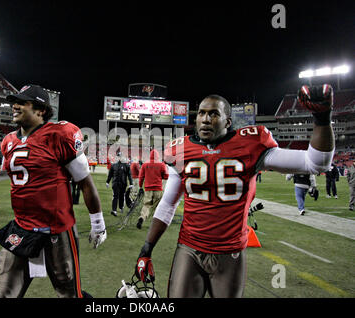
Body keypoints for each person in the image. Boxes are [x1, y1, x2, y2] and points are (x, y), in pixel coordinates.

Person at [134, 84, 335, 298]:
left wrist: (322, 119)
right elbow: (167, 205)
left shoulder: (250, 144)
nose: (205, 119)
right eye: (201, 113)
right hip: (189, 248)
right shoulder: (179, 150)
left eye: (213, 114)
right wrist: (146, 250)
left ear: (227, 122)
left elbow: (316, 163)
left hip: (230, 252)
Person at [0, 84, 106, 298]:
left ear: (40, 109)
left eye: (22, 102)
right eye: (14, 101)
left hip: (56, 229)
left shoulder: (59, 134)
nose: (14, 106)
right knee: (3, 293)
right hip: (21, 226)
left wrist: (98, 223)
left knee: (69, 293)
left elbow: (84, 182)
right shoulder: (8, 141)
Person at [136, 149, 169, 229]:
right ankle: (155, 224)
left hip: (148, 189)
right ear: (158, 156)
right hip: (158, 189)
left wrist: (140, 187)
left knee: (147, 205)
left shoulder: (145, 165)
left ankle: (142, 217)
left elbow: (141, 177)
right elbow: (166, 176)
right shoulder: (161, 165)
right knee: (157, 207)